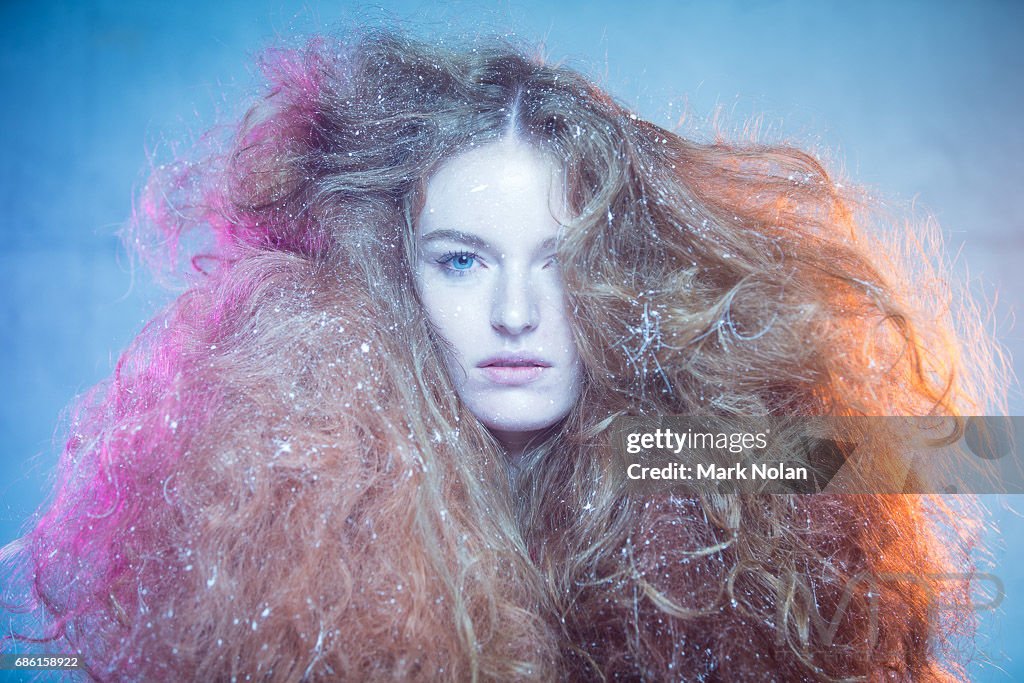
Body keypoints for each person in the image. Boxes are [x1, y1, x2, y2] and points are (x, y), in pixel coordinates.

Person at [1, 29, 1000, 681]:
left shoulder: (662, 453)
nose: (517, 311)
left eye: (564, 263)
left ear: (623, 278)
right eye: (463, 260)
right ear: (391, 275)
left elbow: (958, 454)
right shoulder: (301, 486)